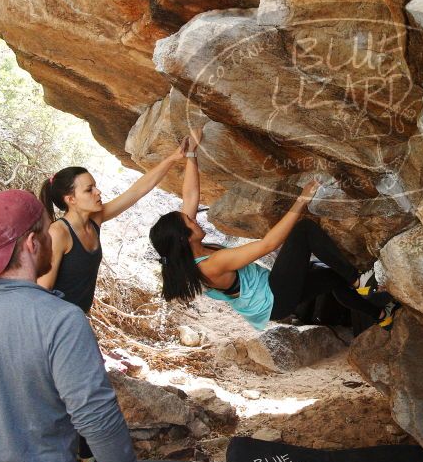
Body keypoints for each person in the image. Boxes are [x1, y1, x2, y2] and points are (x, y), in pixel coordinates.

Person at [0, 190, 141, 462]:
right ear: (33, 243)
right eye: (48, 231)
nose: (53, 238)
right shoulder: (60, 320)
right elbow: (96, 417)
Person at [149, 128, 400, 331]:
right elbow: (268, 244)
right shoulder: (211, 264)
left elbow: (191, 196)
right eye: (190, 223)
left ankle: (380, 315)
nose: (195, 219)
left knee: (331, 277)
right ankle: (360, 280)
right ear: (184, 238)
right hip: (274, 299)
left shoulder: (190, 248)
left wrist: (191, 154)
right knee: (303, 231)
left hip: (270, 292)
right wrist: (302, 199)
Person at [36, 138, 187, 462]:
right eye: (89, 189)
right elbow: (41, 290)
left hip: (75, 323)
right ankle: (82, 458)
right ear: (69, 199)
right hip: (55, 329)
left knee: (83, 391)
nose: (98, 192)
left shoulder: (94, 222)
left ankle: (86, 455)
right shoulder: (59, 233)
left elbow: (138, 191)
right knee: (79, 392)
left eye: (96, 187)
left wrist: (173, 159)